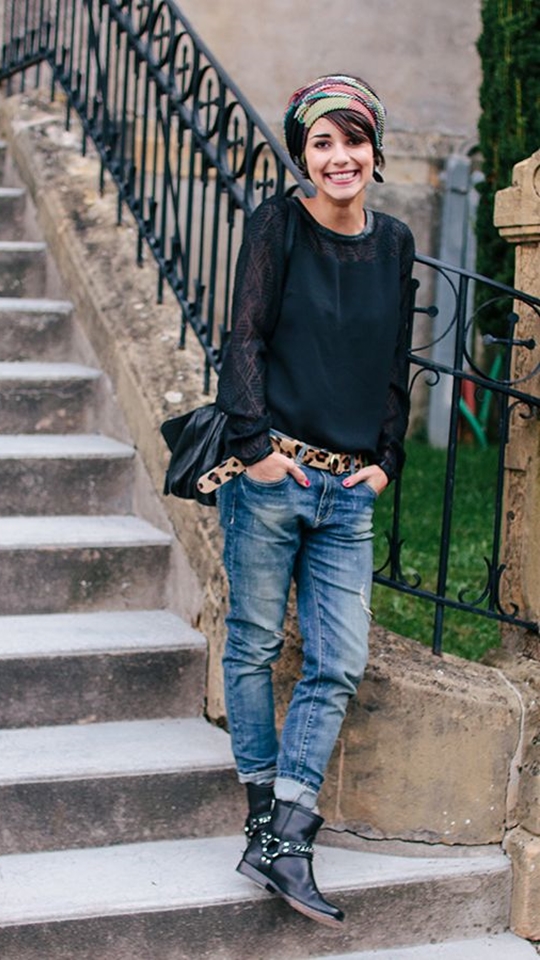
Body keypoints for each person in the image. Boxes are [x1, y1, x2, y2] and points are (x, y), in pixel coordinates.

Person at [209, 75, 415, 925]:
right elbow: (244, 339)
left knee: (338, 661)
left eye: (352, 140)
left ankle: (284, 831)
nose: (339, 158)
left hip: (348, 492)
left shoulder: (395, 242)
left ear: (373, 150)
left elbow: (395, 364)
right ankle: (272, 828)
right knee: (255, 646)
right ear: (303, 155)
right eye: (322, 143)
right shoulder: (279, 224)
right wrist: (255, 450)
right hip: (275, 479)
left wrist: (388, 460)